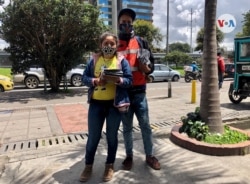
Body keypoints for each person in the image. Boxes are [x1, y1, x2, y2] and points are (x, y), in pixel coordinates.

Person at [80, 31, 133, 182]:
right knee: (93, 137)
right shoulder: (94, 60)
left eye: (112, 44)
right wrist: (95, 81)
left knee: (112, 137)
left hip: (114, 106)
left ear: (116, 46)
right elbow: (84, 78)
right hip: (96, 105)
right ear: (100, 45)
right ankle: (88, 166)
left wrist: (118, 81)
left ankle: (109, 166)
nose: (109, 46)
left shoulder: (121, 61)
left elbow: (129, 81)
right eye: (106, 44)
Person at [117, 8, 161, 170]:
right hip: (123, 94)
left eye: (129, 22)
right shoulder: (114, 44)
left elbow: (152, 67)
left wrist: (146, 68)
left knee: (145, 126)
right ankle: (129, 156)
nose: (126, 25)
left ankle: (150, 155)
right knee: (127, 128)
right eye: (123, 22)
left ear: (132, 23)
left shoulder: (142, 42)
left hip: (140, 93)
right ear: (119, 23)